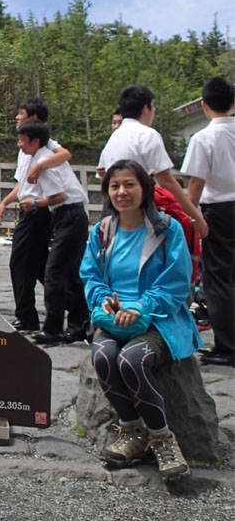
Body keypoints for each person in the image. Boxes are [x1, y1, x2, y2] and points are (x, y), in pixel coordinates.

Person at [80, 159, 200, 481]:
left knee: (133, 359)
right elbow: (90, 276)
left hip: (159, 319)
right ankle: (131, 431)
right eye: (115, 185)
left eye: (130, 184)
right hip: (114, 318)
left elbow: (177, 283)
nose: (122, 192)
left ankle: (162, 439)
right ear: (107, 191)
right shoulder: (102, 233)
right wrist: (104, 300)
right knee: (104, 355)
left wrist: (142, 306)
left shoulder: (166, 229)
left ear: (144, 188)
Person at [0, 100, 72, 330]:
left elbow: (66, 154)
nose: (17, 117)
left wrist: (40, 167)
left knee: (20, 262)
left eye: (21, 114)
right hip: (29, 208)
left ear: (34, 119)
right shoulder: (24, 149)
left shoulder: (46, 146)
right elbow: (23, 183)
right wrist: (6, 202)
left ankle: (28, 317)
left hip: (40, 210)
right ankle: (76, 305)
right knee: (39, 266)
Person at [96, 85, 208, 239]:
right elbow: (166, 181)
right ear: (146, 108)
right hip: (144, 212)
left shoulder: (113, 139)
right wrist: (195, 216)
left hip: (116, 212)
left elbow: (104, 178)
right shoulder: (148, 135)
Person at [15, 121, 90, 344]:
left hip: (69, 215)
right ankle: (79, 325)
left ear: (35, 141)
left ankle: (54, 328)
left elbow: (60, 197)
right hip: (70, 216)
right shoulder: (46, 155)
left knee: (54, 273)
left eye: (22, 139)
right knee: (67, 273)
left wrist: (36, 203)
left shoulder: (42, 161)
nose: (19, 144)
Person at [180, 77, 235, 368]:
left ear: (203, 105)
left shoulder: (203, 138)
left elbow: (196, 182)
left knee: (217, 278)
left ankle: (227, 346)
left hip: (219, 209)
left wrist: (193, 214)